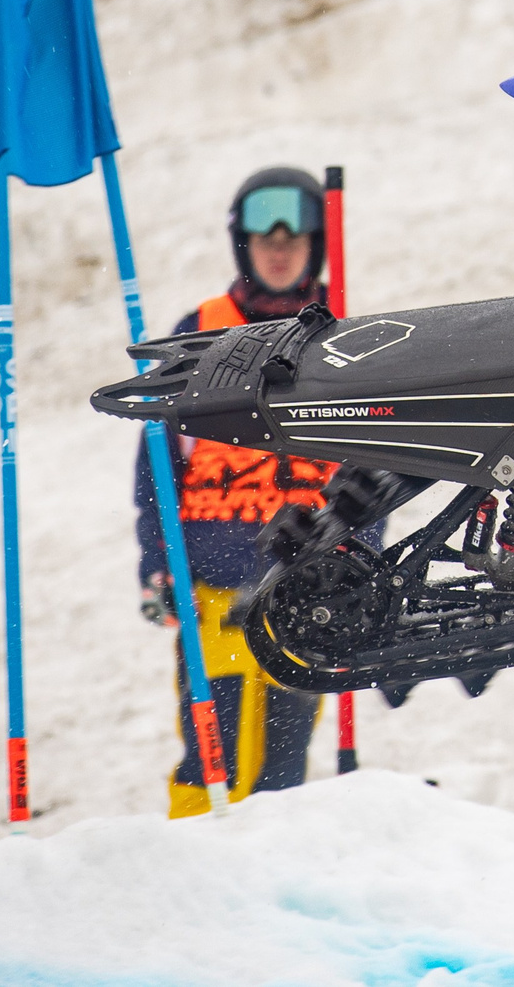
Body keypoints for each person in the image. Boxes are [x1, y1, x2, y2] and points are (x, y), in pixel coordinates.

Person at [135, 166, 341, 816]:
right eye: (265, 237)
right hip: (213, 590)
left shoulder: (345, 343)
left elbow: (371, 472)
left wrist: (357, 562)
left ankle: (273, 889)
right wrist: (159, 564)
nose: (279, 249)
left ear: (317, 246)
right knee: (213, 755)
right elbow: (156, 471)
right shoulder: (200, 330)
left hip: (302, 591)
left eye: (295, 238)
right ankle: (195, 879)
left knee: (283, 765)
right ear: (242, 245)